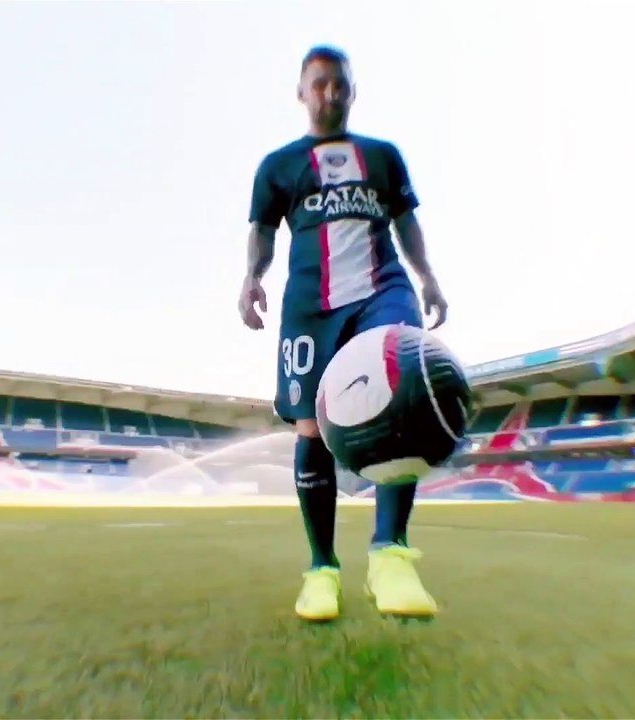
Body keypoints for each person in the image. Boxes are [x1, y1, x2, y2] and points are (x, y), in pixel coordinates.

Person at [238, 45, 450, 621]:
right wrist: (252, 277)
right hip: (310, 305)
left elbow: (406, 221)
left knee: (402, 394)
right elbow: (262, 230)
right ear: (301, 93)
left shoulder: (382, 156)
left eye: (340, 84)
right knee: (309, 427)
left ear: (353, 91)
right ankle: (322, 570)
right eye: (319, 84)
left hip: (385, 289)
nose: (330, 94)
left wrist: (428, 277)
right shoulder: (277, 166)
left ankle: (391, 557)